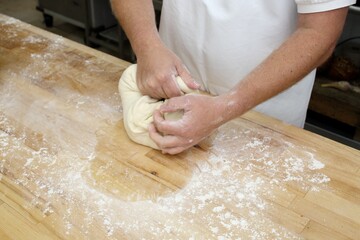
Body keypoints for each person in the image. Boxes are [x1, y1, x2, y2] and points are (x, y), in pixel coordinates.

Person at [111, 0, 355, 154]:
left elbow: (320, 32)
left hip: (262, 116)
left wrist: (225, 106)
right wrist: (147, 46)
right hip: (168, 89)